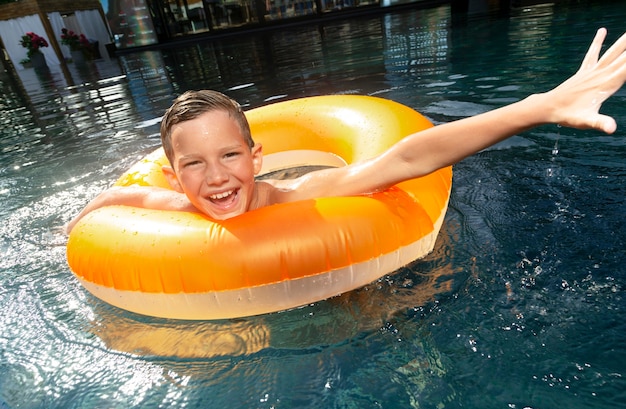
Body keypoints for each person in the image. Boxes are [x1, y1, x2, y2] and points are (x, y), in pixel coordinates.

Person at [65, 28, 626, 234]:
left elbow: (405, 159)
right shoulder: (171, 209)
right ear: (173, 173)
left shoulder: (300, 193)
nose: (216, 177)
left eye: (230, 155)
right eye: (194, 163)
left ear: (257, 157)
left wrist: (535, 107)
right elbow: (115, 197)